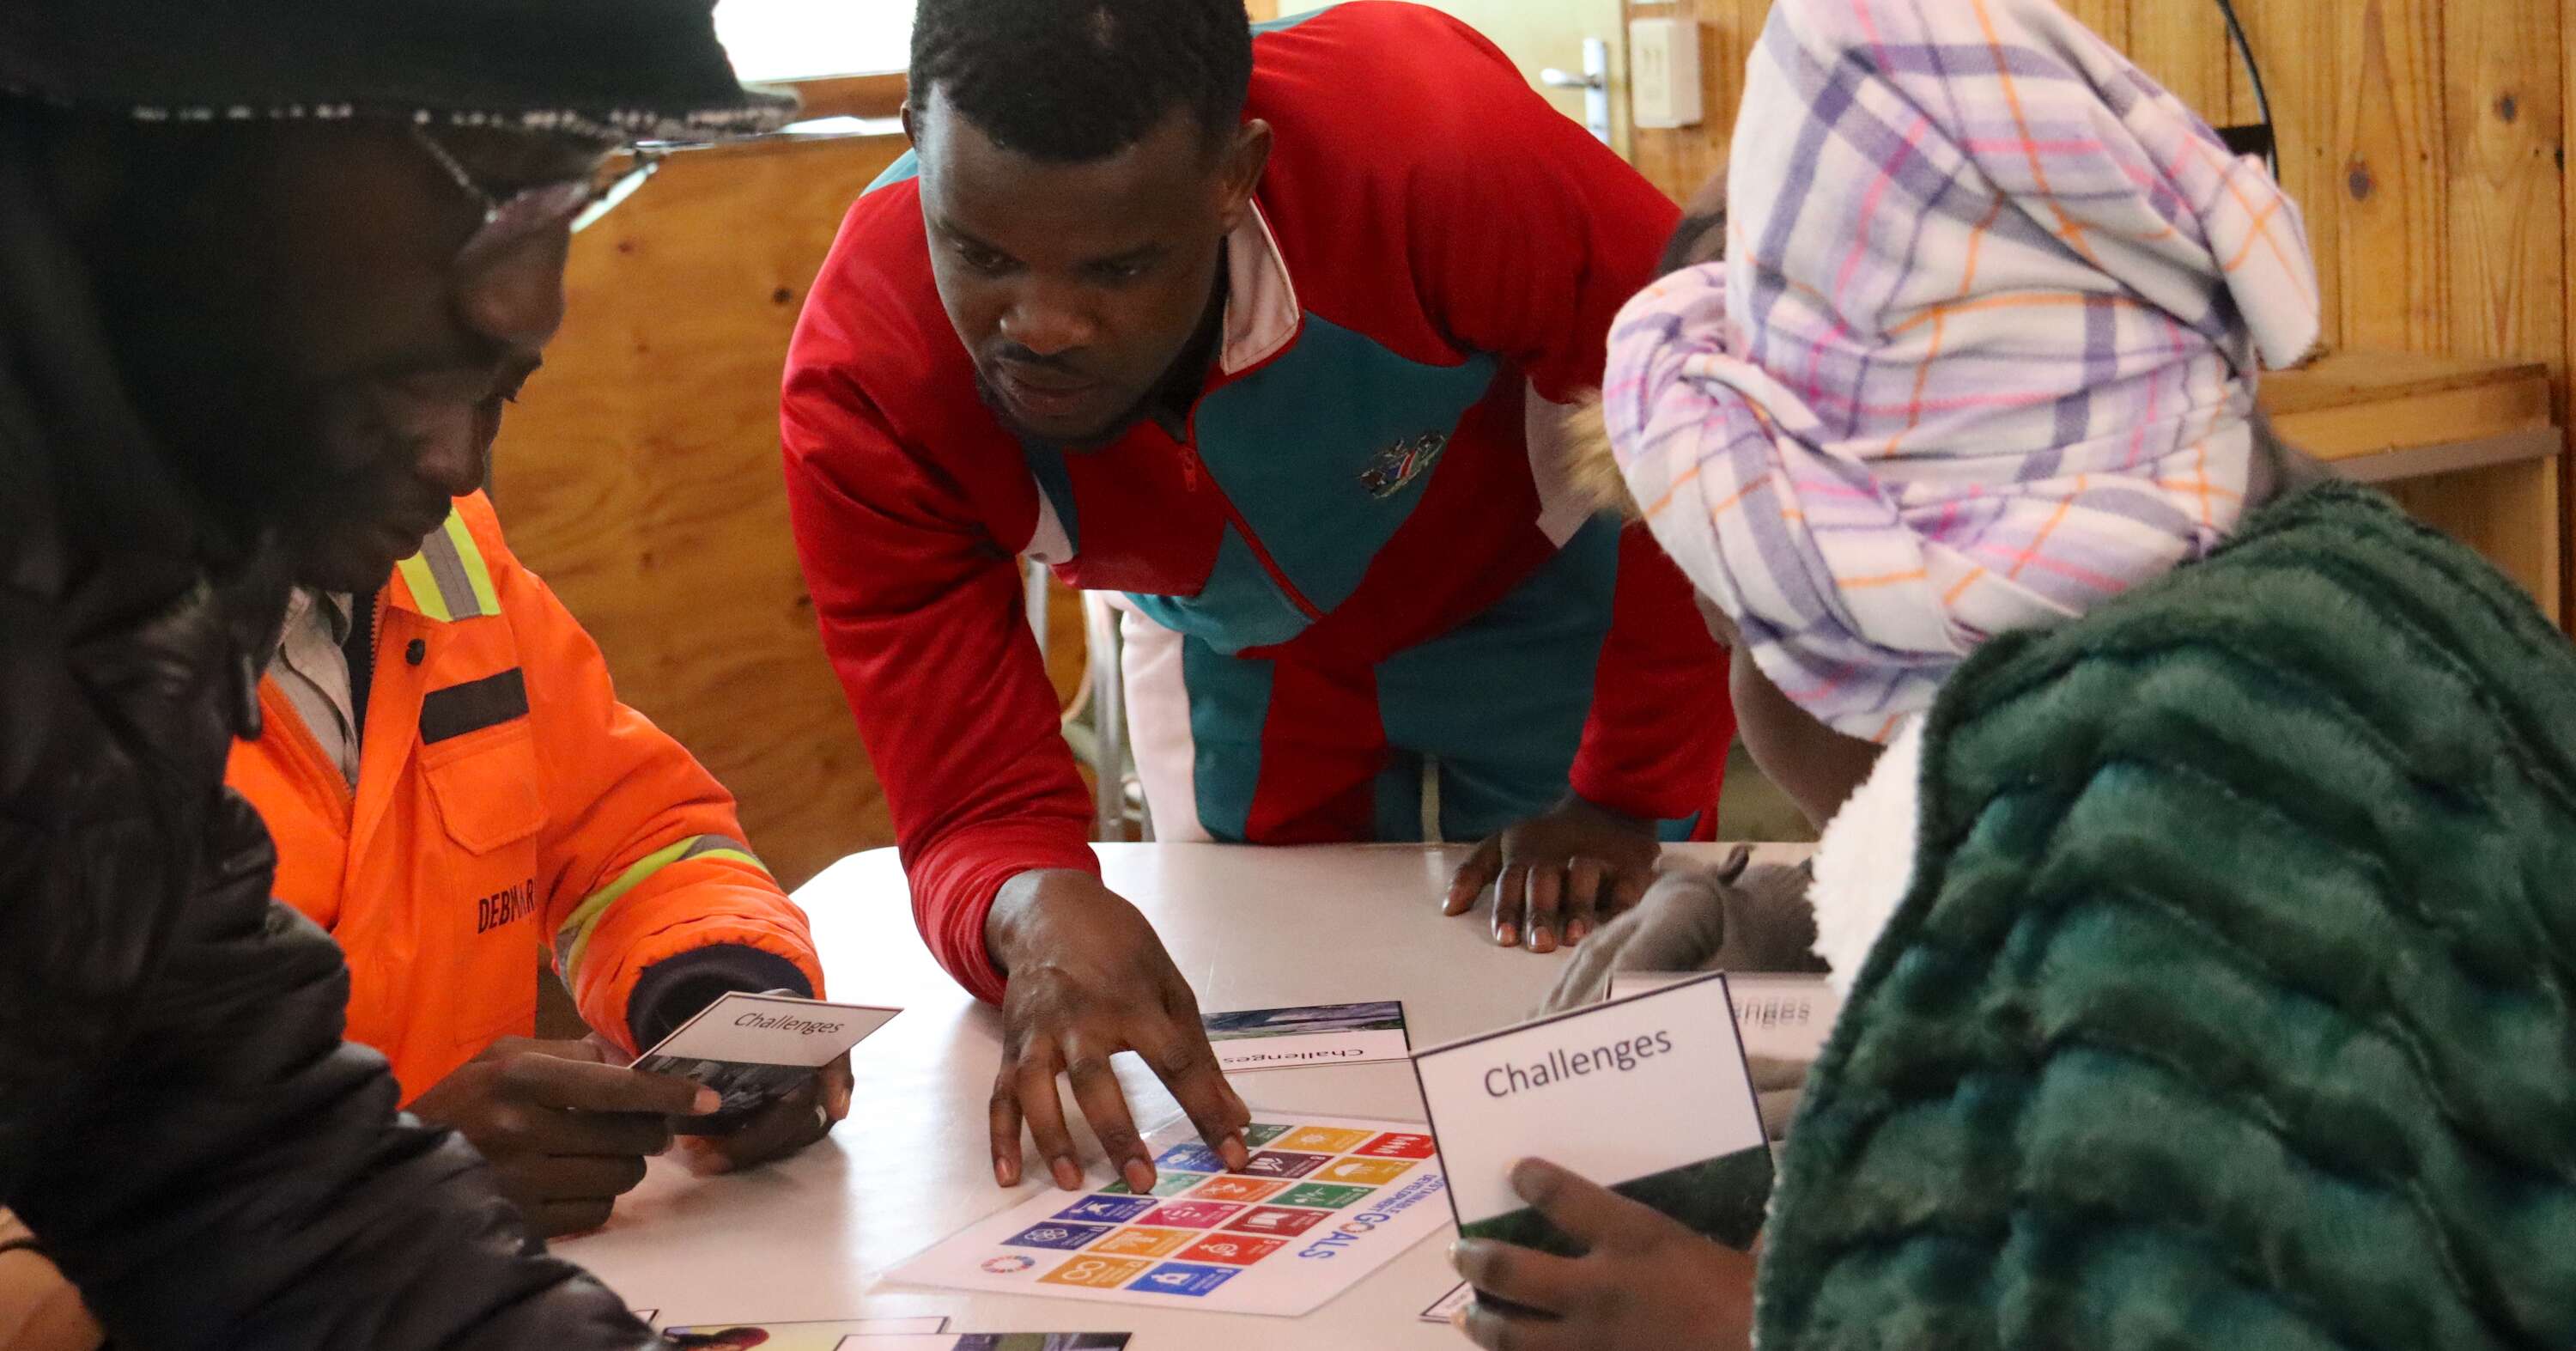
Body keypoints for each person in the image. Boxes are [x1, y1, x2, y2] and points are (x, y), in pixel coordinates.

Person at [1437, 1, 2576, 1346]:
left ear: (1877, 641)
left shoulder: (2166, 813)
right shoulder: (2324, 587)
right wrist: (1823, 931)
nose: (1729, 670)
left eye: (1734, 630)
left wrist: (1751, 1324)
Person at [781, 0, 1734, 1197]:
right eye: (979, 252)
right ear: (917, 133)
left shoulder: (1436, 149)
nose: (1043, 326)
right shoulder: (863, 376)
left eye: (1121, 265)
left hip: (1549, 591)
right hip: (1240, 651)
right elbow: (968, 799)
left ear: (1237, 174)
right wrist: (1032, 911)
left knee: (1608, 1035)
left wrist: (1628, 790)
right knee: (1285, 1049)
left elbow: (1702, 424)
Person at [0, 2, 797, 1345]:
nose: (530, 296)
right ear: (167, 126)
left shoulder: (167, 557)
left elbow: (238, 1159)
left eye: (589, 187)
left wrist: (711, 984)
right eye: (497, 184)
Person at [229, 479, 841, 1238]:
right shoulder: (68, 654)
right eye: (414, 384)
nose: (458, 460)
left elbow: (631, 841)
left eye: (497, 392)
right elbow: (57, 1203)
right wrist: (381, 1181)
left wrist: (719, 1004)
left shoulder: (439, 540)